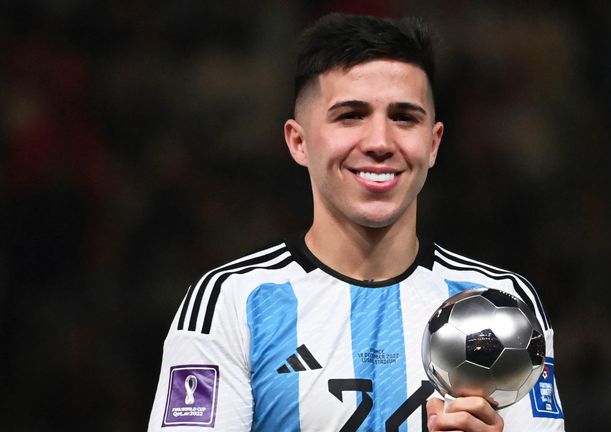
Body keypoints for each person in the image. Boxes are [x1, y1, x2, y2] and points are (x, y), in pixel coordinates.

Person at [148, 13, 565, 432]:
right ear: (298, 141)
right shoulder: (231, 302)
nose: (380, 143)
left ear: (434, 143)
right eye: (350, 115)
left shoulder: (502, 303)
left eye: (404, 117)